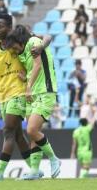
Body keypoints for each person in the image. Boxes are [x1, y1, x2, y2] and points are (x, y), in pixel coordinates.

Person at [0, 14, 37, 181]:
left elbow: (37, 48)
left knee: (7, 131)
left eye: (0, 26)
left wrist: (27, 77)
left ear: (9, 27)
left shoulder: (20, 43)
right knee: (18, 135)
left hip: (18, 93)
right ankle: (34, 170)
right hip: (2, 96)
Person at [5, 25, 61, 180]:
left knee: (31, 130)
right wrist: (26, 79)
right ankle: (35, 171)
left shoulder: (34, 42)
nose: (15, 51)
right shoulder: (23, 53)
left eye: (15, 47)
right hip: (33, 94)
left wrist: (28, 87)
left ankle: (53, 159)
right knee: (33, 135)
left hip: (45, 91)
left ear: (19, 40)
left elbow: (38, 65)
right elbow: (32, 69)